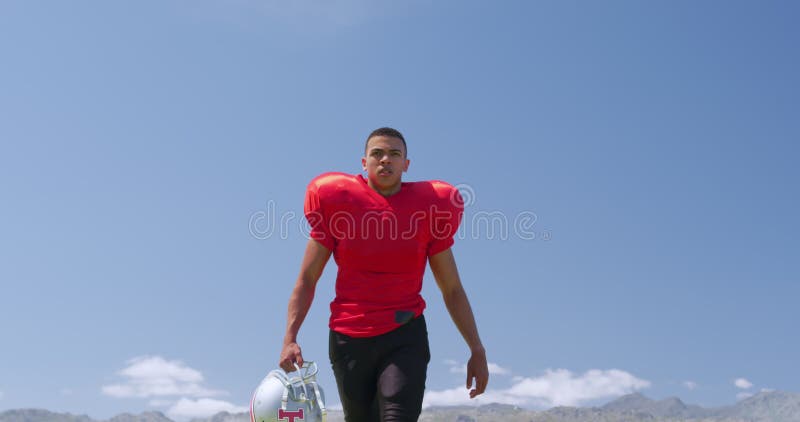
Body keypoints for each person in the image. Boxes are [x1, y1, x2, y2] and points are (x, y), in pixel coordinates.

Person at [279, 127, 488, 421]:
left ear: (406, 164)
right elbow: (307, 279)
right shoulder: (338, 203)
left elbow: (452, 288)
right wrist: (290, 337)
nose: (385, 160)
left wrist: (476, 347)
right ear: (364, 162)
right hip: (348, 337)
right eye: (377, 153)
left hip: (404, 332)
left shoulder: (429, 208)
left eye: (394, 154)